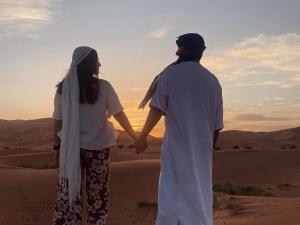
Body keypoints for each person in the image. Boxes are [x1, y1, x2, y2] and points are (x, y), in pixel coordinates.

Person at [135, 33, 223, 225]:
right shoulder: (213, 81)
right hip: (202, 153)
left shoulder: (169, 74)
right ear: (201, 53)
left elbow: (156, 108)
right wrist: (209, 152)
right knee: (199, 197)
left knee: (172, 195)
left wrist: (142, 136)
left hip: (176, 149)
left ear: (180, 51)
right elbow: (217, 125)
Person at [52, 46, 136, 225]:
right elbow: (119, 114)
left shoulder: (63, 89)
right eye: (97, 61)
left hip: (71, 149)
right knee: (97, 195)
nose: (100, 64)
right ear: (90, 64)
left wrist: (57, 146)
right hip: (98, 150)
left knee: (68, 193)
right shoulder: (104, 87)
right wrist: (135, 137)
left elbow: (58, 121)